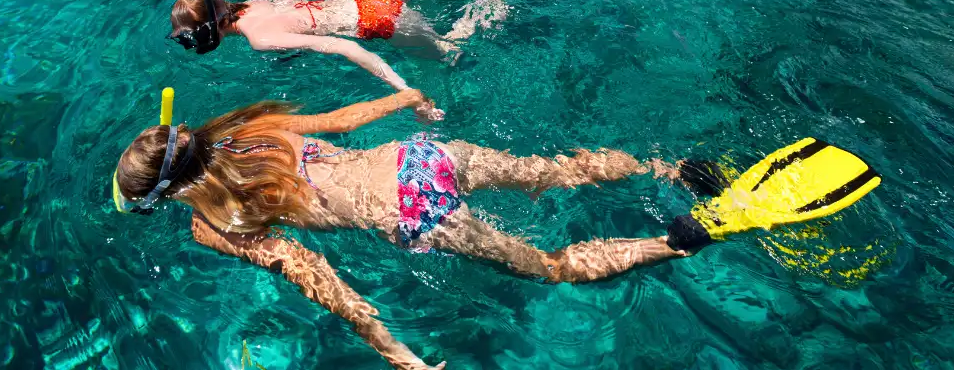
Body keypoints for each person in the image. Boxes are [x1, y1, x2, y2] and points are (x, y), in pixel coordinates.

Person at [113, 90, 708, 370]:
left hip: (414, 213)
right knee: (550, 175)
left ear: (166, 195)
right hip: (417, 157)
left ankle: (673, 241)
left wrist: (396, 352)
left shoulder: (211, 224)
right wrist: (406, 96)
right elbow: (341, 120)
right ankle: (667, 167)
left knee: (551, 268)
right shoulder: (254, 129)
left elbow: (309, 270)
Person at [167, 0, 564, 117]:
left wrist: (406, 93)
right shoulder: (252, 3)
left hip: (375, 20)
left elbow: (347, 49)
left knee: (450, 51)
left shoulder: (260, 39)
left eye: (191, 37)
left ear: (210, 31)